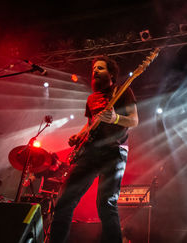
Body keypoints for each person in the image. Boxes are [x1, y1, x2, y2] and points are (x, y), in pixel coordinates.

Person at [50, 56, 138, 242]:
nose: (95, 71)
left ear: (111, 74)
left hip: (114, 152)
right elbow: (90, 123)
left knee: (106, 204)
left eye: (100, 68)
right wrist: (79, 136)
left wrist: (115, 119)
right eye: (94, 69)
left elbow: (134, 120)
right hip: (89, 153)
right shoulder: (92, 98)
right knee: (64, 201)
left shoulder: (123, 91)